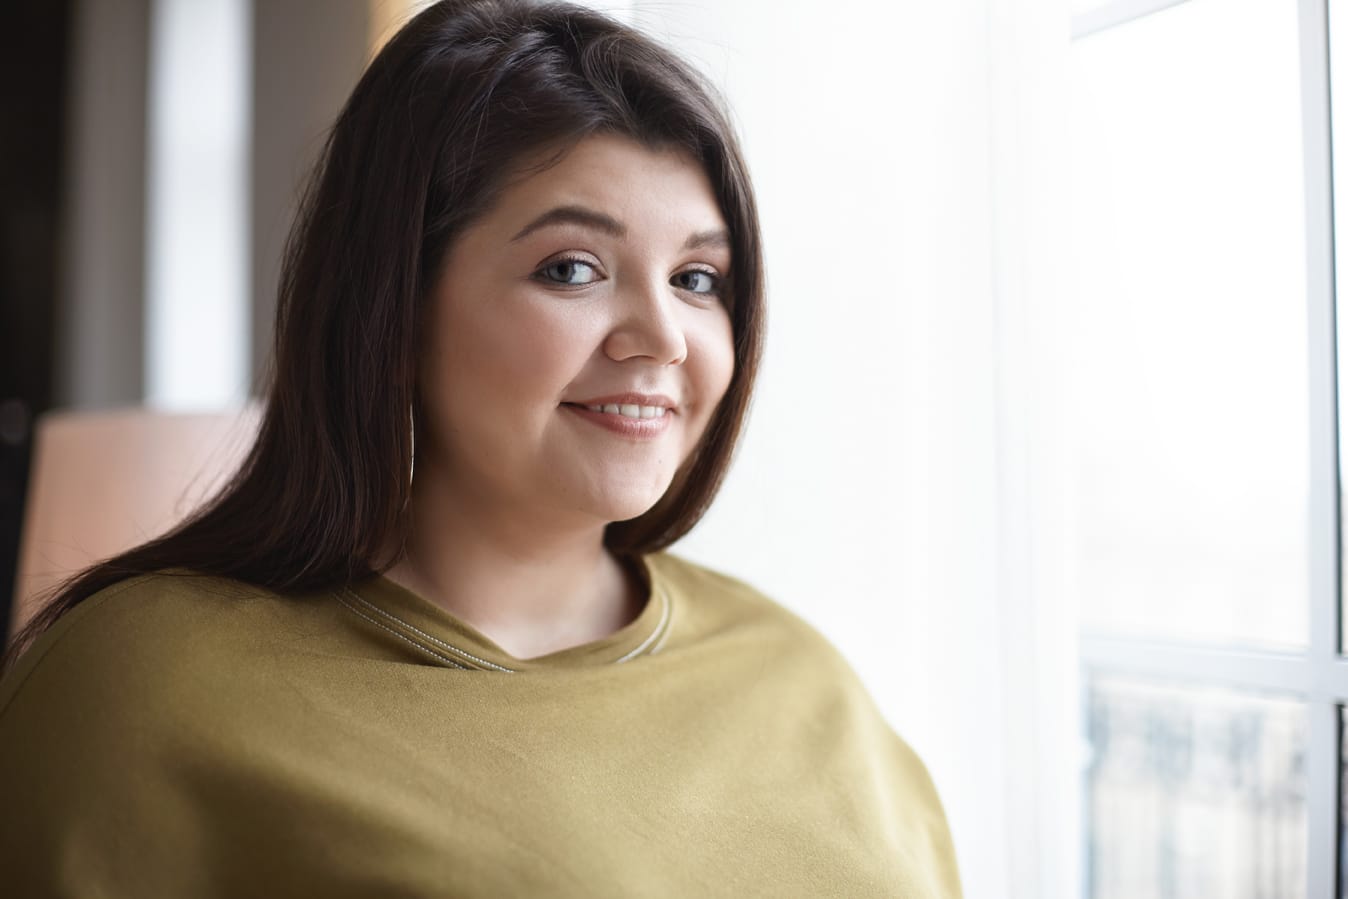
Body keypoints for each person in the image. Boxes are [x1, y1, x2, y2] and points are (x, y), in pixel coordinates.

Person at [0, 1, 961, 895]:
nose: (662, 335)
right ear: (398, 305)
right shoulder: (142, 685)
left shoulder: (806, 680)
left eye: (699, 277)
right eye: (573, 268)